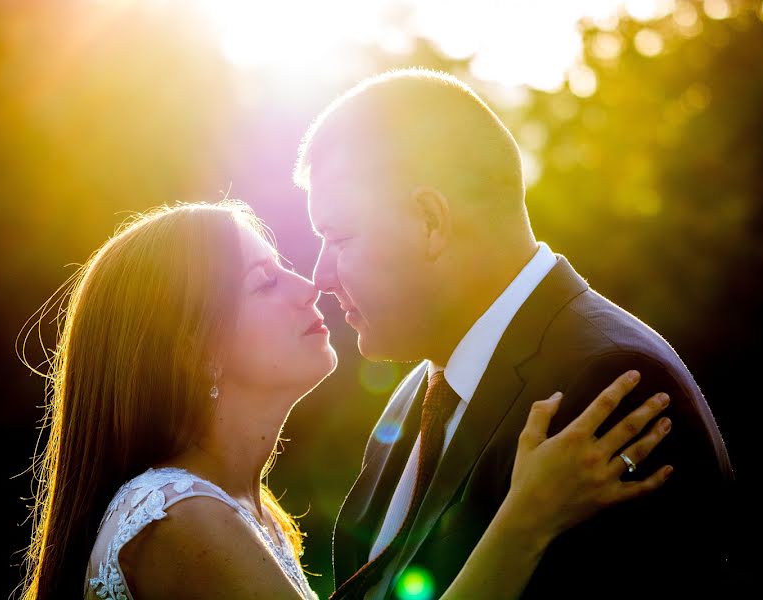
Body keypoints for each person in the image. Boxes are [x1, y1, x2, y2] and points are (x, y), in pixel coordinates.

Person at [17, 201, 674, 600]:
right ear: (194, 347)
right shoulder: (181, 520)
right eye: (264, 281)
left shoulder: (250, 512)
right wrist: (529, 518)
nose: (310, 286)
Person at [293, 68, 735, 599]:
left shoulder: (607, 387)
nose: (318, 275)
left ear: (430, 221)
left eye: (338, 237)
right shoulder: (415, 394)